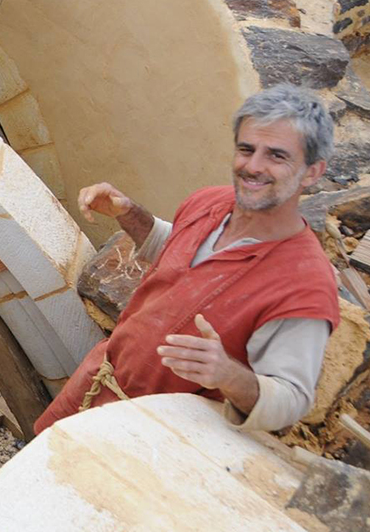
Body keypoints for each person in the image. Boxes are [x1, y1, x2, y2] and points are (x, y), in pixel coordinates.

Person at [35, 83, 341, 434]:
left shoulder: (306, 285)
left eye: (276, 155)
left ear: (313, 171)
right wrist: (129, 213)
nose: (253, 166)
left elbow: (291, 399)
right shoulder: (209, 201)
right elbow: (178, 254)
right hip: (97, 385)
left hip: (162, 434)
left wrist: (227, 373)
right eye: (246, 149)